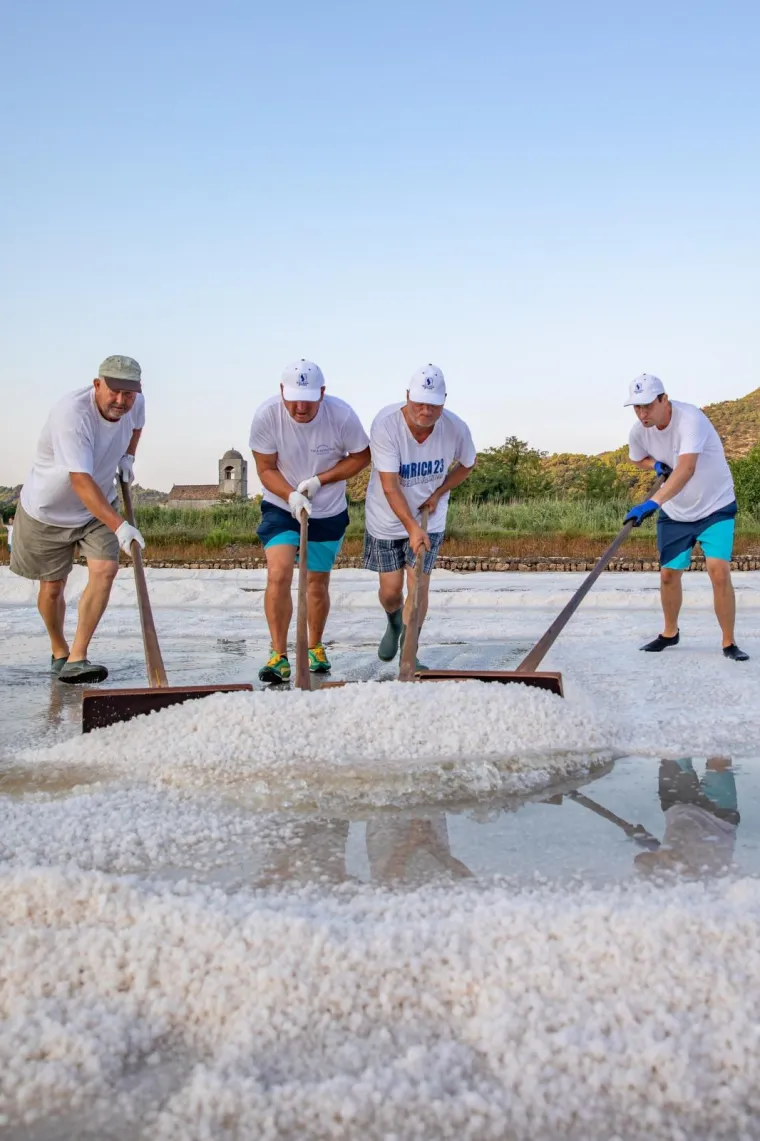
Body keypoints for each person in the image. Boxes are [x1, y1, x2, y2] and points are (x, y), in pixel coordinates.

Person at [10, 355, 146, 683]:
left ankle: (77, 657)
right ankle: (59, 650)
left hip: (96, 507)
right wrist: (121, 527)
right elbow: (80, 482)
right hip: (48, 511)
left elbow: (137, 426)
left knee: (106, 570)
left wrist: (129, 455)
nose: (121, 401)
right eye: (114, 392)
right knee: (53, 587)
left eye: (129, 394)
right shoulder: (71, 415)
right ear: (97, 384)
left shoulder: (135, 402)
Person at [249, 359, 370, 683]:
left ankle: (314, 646)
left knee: (316, 583)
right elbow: (265, 468)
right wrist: (290, 494)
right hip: (280, 505)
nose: (300, 407)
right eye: (293, 398)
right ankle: (278, 655)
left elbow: (361, 456)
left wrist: (320, 480)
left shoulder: (341, 415)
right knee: (279, 573)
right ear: (281, 392)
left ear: (322, 393)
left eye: (309, 398)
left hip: (328, 509)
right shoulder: (266, 416)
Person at [622, 373, 749, 661]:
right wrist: (653, 464)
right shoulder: (639, 431)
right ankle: (670, 633)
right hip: (676, 511)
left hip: (715, 506)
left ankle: (728, 642)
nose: (642, 414)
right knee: (668, 575)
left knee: (719, 572)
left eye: (647, 406)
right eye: (636, 407)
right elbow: (635, 458)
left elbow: (686, 468)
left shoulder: (691, 419)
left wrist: (652, 503)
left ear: (663, 399)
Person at [363, 364, 476, 669]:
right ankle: (394, 623)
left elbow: (467, 464)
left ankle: (409, 652)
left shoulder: (455, 428)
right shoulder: (386, 424)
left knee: (419, 585)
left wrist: (439, 493)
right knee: (390, 592)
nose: (425, 411)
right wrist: (411, 527)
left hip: (430, 519)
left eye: (433, 405)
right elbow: (389, 485)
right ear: (408, 397)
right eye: (419, 403)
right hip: (386, 520)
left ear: (444, 402)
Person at [634, 757, 739, 877]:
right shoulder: (709, 885)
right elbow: (689, 870)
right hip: (717, 817)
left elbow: (640, 860)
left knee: (672, 751)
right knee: (719, 758)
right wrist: (669, 858)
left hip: (677, 806)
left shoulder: (651, 887)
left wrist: (657, 855)